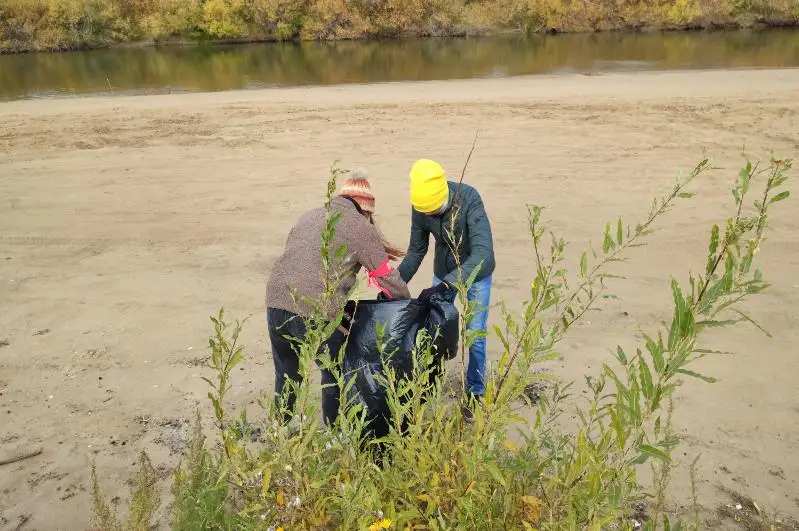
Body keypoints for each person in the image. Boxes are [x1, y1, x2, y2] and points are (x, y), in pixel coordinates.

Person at [266, 169, 411, 426]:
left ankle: (281, 430)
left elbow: (302, 262)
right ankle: (334, 434)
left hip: (276, 300)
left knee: (287, 372)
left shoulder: (310, 216)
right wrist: (407, 307)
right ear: (365, 210)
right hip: (315, 309)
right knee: (333, 370)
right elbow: (387, 278)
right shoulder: (359, 227)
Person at [397, 159, 495, 422]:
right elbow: (417, 250)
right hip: (443, 274)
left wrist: (447, 283)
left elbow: (484, 254)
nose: (429, 215)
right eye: (425, 212)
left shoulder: (469, 199)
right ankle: (426, 388)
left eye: (434, 211)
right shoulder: (421, 206)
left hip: (475, 277)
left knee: (475, 336)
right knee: (432, 332)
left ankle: (475, 393)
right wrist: (394, 283)